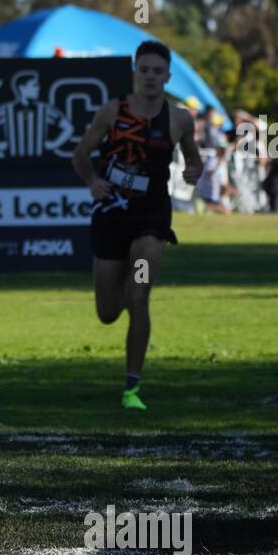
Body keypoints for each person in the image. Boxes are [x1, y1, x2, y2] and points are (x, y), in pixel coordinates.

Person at [70, 40, 203, 411]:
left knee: (138, 295)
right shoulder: (113, 112)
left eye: (157, 71)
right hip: (112, 214)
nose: (150, 77)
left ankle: (132, 388)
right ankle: (125, 293)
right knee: (108, 312)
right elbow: (80, 155)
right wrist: (93, 182)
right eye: (144, 70)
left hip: (152, 217)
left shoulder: (179, 119)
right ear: (135, 72)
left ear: (168, 77)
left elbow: (194, 161)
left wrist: (194, 172)